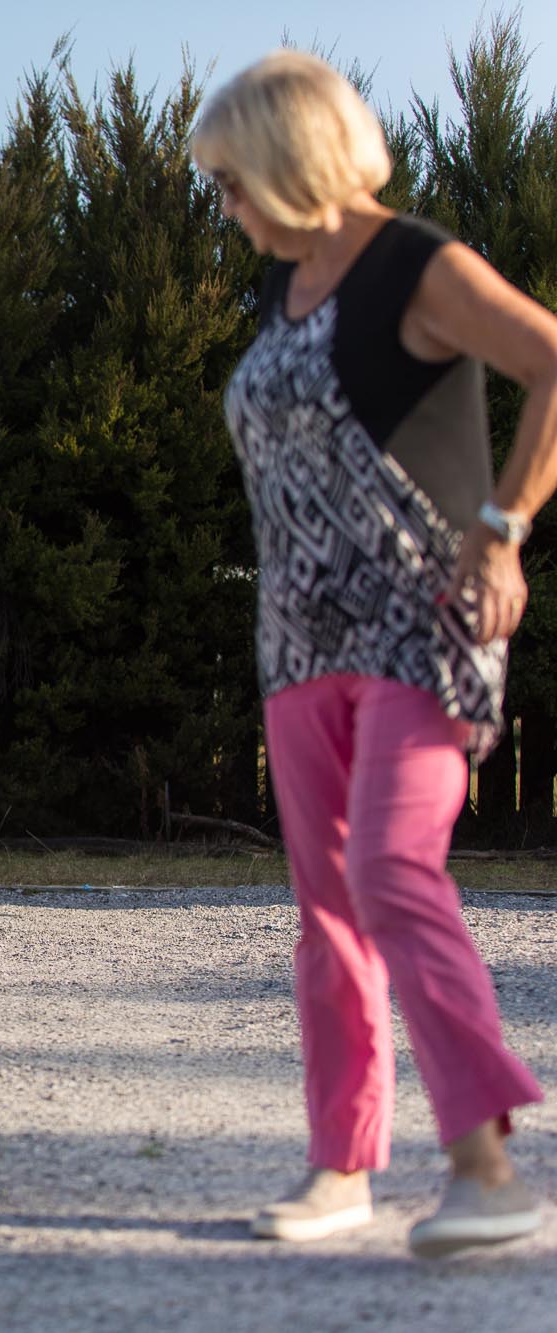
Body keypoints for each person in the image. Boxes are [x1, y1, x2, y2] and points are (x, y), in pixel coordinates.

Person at [191, 50, 557, 1258]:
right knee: (324, 914)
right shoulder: (285, 284)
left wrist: (502, 529)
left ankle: (484, 1169)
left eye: (231, 180)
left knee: (394, 874)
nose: (226, 206)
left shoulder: (414, 261)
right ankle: (341, 1166)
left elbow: (553, 359)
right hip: (297, 646)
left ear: (285, 157)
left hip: (417, 629)